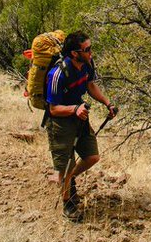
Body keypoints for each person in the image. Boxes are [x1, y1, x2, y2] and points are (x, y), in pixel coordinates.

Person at [45, 31, 117, 221]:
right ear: (74, 53)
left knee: (92, 156)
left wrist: (107, 103)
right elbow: (53, 109)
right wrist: (74, 109)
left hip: (79, 117)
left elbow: (90, 85)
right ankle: (68, 204)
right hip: (60, 123)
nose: (90, 52)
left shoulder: (87, 65)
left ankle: (68, 179)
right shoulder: (57, 74)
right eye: (87, 49)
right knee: (66, 165)